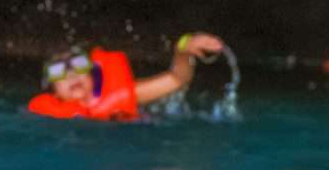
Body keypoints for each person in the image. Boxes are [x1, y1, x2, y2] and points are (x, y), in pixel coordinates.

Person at [27, 32, 224, 121]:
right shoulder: (47, 114)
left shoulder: (122, 93)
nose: (71, 75)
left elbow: (176, 79)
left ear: (92, 72)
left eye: (79, 65)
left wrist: (184, 48)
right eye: (58, 71)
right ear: (52, 89)